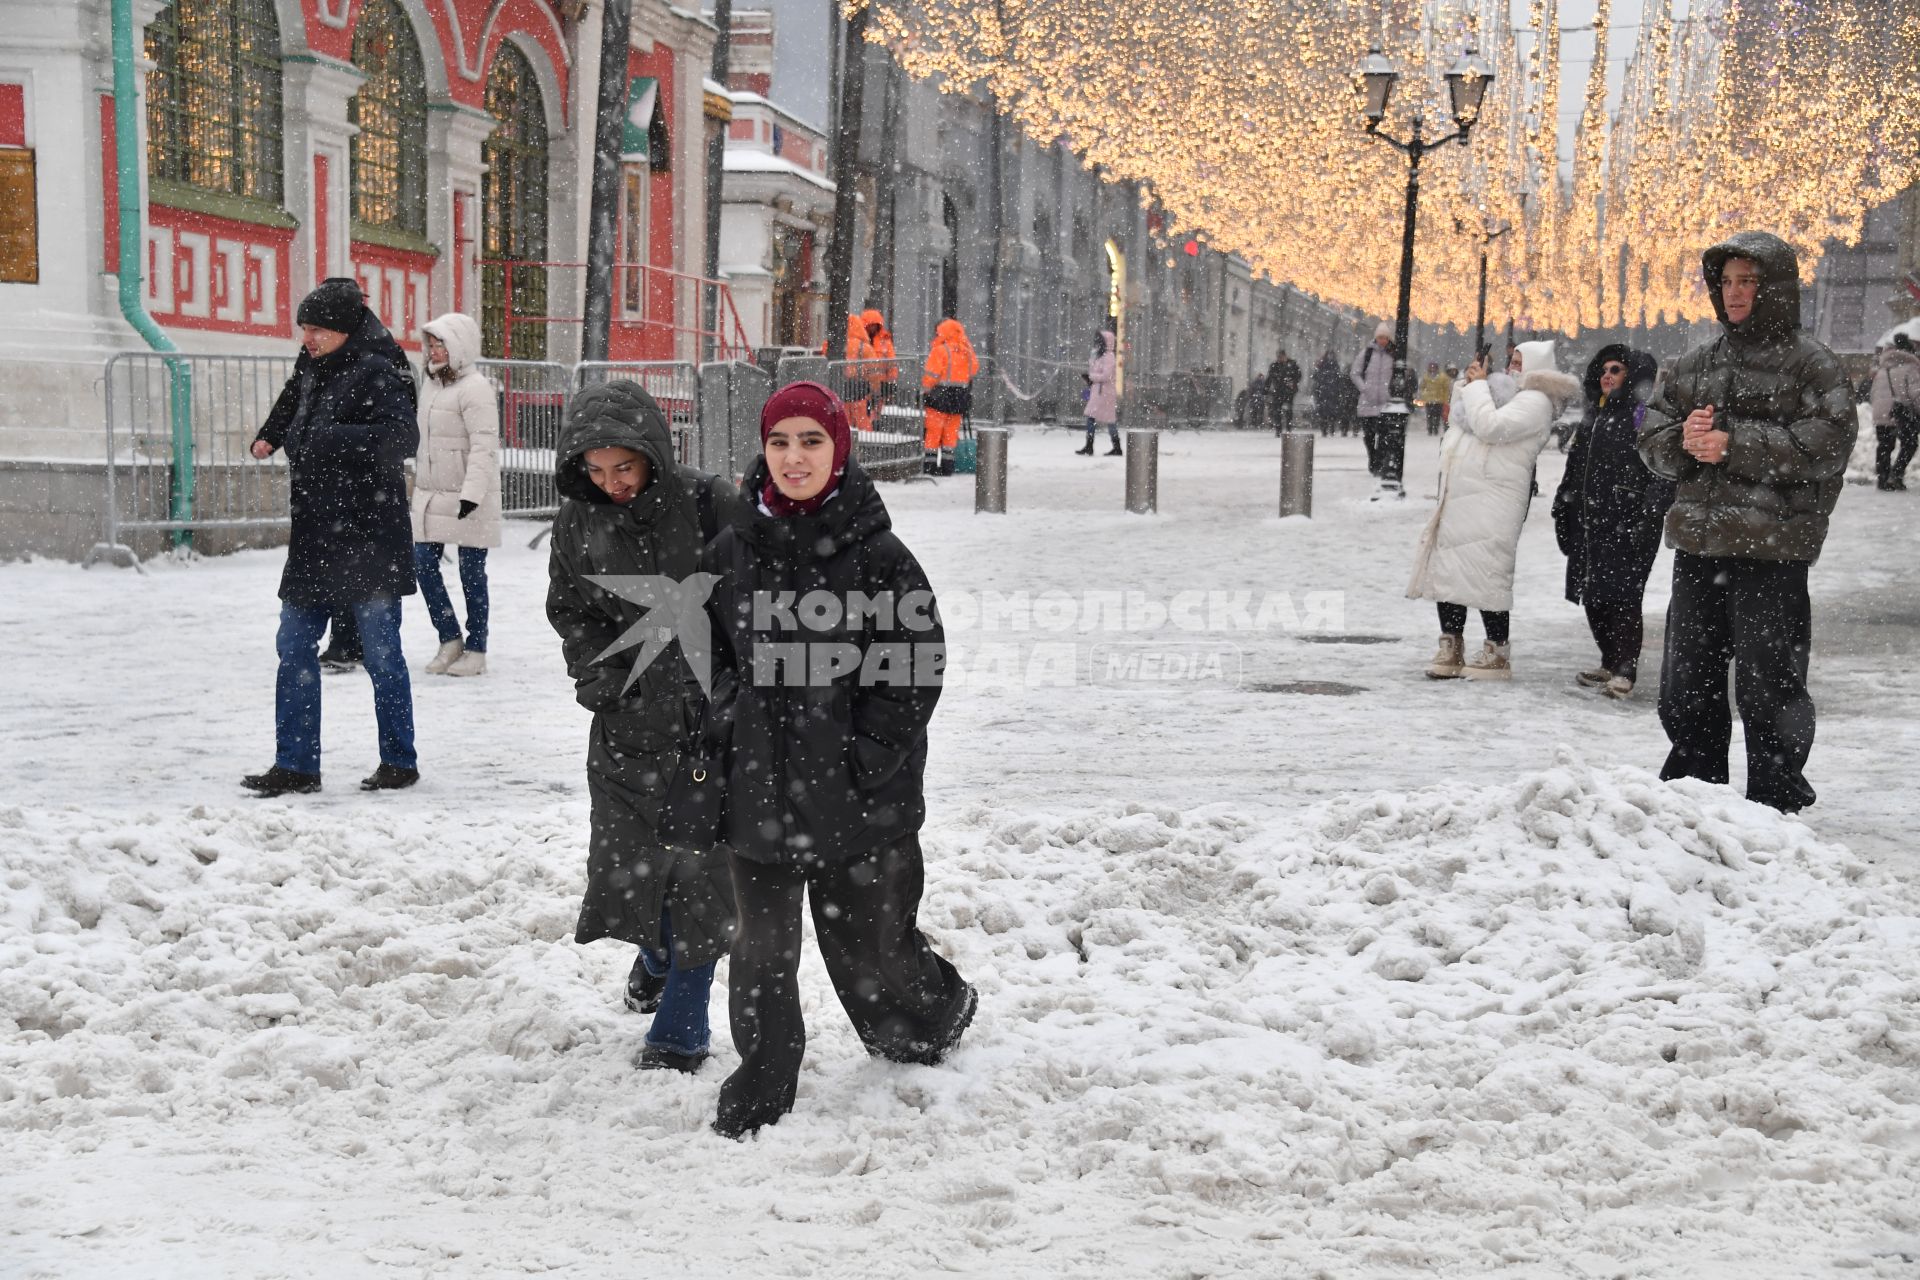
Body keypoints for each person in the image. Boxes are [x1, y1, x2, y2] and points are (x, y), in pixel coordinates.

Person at [699, 381, 975, 1138]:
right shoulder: (729, 550)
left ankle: (930, 1013)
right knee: (761, 952)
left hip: (860, 796)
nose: (794, 458)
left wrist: (866, 754)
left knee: (873, 949)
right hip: (759, 789)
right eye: (780, 442)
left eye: (811, 442)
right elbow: (708, 654)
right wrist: (732, 723)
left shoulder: (881, 558)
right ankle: (762, 1076)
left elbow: (915, 666)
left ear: (839, 451)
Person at [545, 379, 745, 1071]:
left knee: (702, 872)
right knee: (630, 866)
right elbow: (569, 608)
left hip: (708, 731)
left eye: (624, 468)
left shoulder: (709, 502)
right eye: (596, 472)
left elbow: (756, 598)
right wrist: (597, 678)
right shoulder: (577, 521)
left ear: (652, 454)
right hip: (625, 727)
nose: (613, 484)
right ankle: (656, 950)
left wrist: (737, 690)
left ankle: (683, 1023)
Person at [1637, 230, 1854, 813]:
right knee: (1687, 681)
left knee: (1768, 684)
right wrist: (1682, 440)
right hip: (1700, 547)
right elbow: (1652, 438)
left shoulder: (1814, 365)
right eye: (1726, 281)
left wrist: (1735, 446)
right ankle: (1694, 791)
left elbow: (1830, 443)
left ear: (1774, 288)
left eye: (1748, 281)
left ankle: (1775, 797)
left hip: (1772, 551)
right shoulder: (1697, 362)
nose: (1734, 293)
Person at [241, 277, 421, 796]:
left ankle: (398, 761)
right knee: (293, 644)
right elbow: (292, 396)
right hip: (316, 532)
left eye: (316, 329)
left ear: (343, 328)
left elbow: (401, 438)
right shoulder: (313, 362)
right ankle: (296, 765)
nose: (307, 338)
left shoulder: (383, 369)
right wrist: (271, 436)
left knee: (382, 653)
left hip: (369, 532)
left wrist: (329, 440)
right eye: (304, 329)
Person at [1409, 340, 1578, 680]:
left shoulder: (1536, 401)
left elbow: (1491, 426)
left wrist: (1477, 388)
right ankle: (1451, 644)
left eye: (1519, 362)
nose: (1512, 367)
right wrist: (1467, 385)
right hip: (1467, 496)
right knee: (1453, 569)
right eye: (1511, 361)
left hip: (1496, 500)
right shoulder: (1509, 393)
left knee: (1489, 572)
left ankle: (1496, 650)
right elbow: (1468, 419)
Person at [1552, 345, 1672, 699]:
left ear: (1630, 376)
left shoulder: (1642, 417)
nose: (1608, 375)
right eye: (1604, 369)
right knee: (1593, 594)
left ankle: (1625, 669)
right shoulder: (1593, 417)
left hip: (1626, 524)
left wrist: (1648, 516)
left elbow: (1661, 474)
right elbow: (1574, 467)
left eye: (1616, 370)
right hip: (1590, 524)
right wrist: (1563, 504)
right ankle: (1608, 661)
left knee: (1623, 597)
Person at [410, 313, 500, 678]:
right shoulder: (431, 384)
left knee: (471, 573)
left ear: (459, 346)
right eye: (431, 344)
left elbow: (484, 446)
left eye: (441, 343)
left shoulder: (475, 387)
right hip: (431, 494)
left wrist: (472, 494)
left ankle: (477, 648)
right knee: (422, 565)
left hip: (468, 495)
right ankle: (449, 638)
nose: (434, 350)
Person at [921, 317, 978, 475]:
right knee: (950, 433)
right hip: (960, 396)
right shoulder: (967, 351)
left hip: (939, 395)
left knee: (933, 432)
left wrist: (924, 390)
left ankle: (930, 466)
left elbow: (931, 375)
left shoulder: (940, 350)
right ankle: (948, 466)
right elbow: (974, 369)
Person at [1869, 332, 1920, 490]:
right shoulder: (1910, 367)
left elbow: (1873, 394)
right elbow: (1915, 393)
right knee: (1910, 444)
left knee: (1884, 446)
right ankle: (1896, 475)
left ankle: (1883, 480)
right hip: (1901, 413)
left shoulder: (1883, 369)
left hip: (1880, 413)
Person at [1350, 322, 1398, 486]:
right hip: (1367, 403)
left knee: (1384, 436)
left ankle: (1379, 462)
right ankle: (1373, 459)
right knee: (1369, 436)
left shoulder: (1393, 355)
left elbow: (1399, 376)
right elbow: (1355, 373)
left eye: (1385, 338)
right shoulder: (1367, 354)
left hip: (1386, 404)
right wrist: (1364, 388)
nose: (1382, 340)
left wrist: (1391, 391)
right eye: (1380, 337)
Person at [1077, 329, 1122, 456]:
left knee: (1097, 417)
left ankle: (1090, 446)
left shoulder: (1109, 357)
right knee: (1107, 419)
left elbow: (1106, 376)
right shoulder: (1101, 356)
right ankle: (1115, 446)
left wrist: (1091, 377)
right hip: (1100, 391)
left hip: (1104, 393)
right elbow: (1096, 370)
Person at [842, 313, 876, 433]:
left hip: (842, 386)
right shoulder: (865, 348)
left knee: (844, 419)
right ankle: (866, 444)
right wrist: (874, 390)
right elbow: (873, 372)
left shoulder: (836, 345)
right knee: (862, 419)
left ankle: (846, 444)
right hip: (860, 387)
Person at [1311, 350, 1346, 437]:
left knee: (1325, 412)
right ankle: (1329, 429)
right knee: (1330, 412)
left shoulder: (1323, 366)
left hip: (1325, 392)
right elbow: (1339, 380)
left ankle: (1325, 429)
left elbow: (1315, 378)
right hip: (1330, 392)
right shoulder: (1334, 367)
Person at [1266, 351, 1301, 435]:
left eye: (1281, 357)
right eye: (1278, 357)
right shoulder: (1274, 366)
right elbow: (1270, 377)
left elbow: (1298, 375)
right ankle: (1278, 429)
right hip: (1278, 391)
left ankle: (1288, 428)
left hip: (1289, 391)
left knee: (1288, 410)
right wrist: (1266, 389)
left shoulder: (1292, 365)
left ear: (1285, 356)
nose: (1280, 359)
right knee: (1276, 410)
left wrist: (1293, 382)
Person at [1418, 361, 1453, 436]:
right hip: (1429, 400)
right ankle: (1430, 430)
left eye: (1434, 367)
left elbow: (1446, 388)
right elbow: (1422, 387)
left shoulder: (1442, 377)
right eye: (1431, 367)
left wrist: (1445, 399)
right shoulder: (1426, 376)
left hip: (1439, 400)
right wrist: (1424, 394)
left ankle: (1435, 429)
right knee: (1429, 415)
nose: (1432, 369)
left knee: (1437, 416)